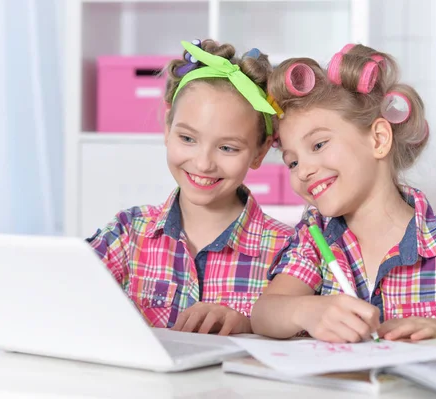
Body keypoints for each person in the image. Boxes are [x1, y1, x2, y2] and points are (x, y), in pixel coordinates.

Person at [250, 43, 436, 342]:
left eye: (318, 145)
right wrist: (304, 311)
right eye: (292, 161)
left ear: (379, 139)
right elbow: (265, 313)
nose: (302, 171)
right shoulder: (313, 240)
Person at [87, 39, 293, 335]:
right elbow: (65, 292)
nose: (203, 163)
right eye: (188, 139)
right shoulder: (128, 233)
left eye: (227, 147)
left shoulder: (287, 249)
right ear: (168, 128)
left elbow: (308, 336)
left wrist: (249, 325)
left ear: (259, 152)